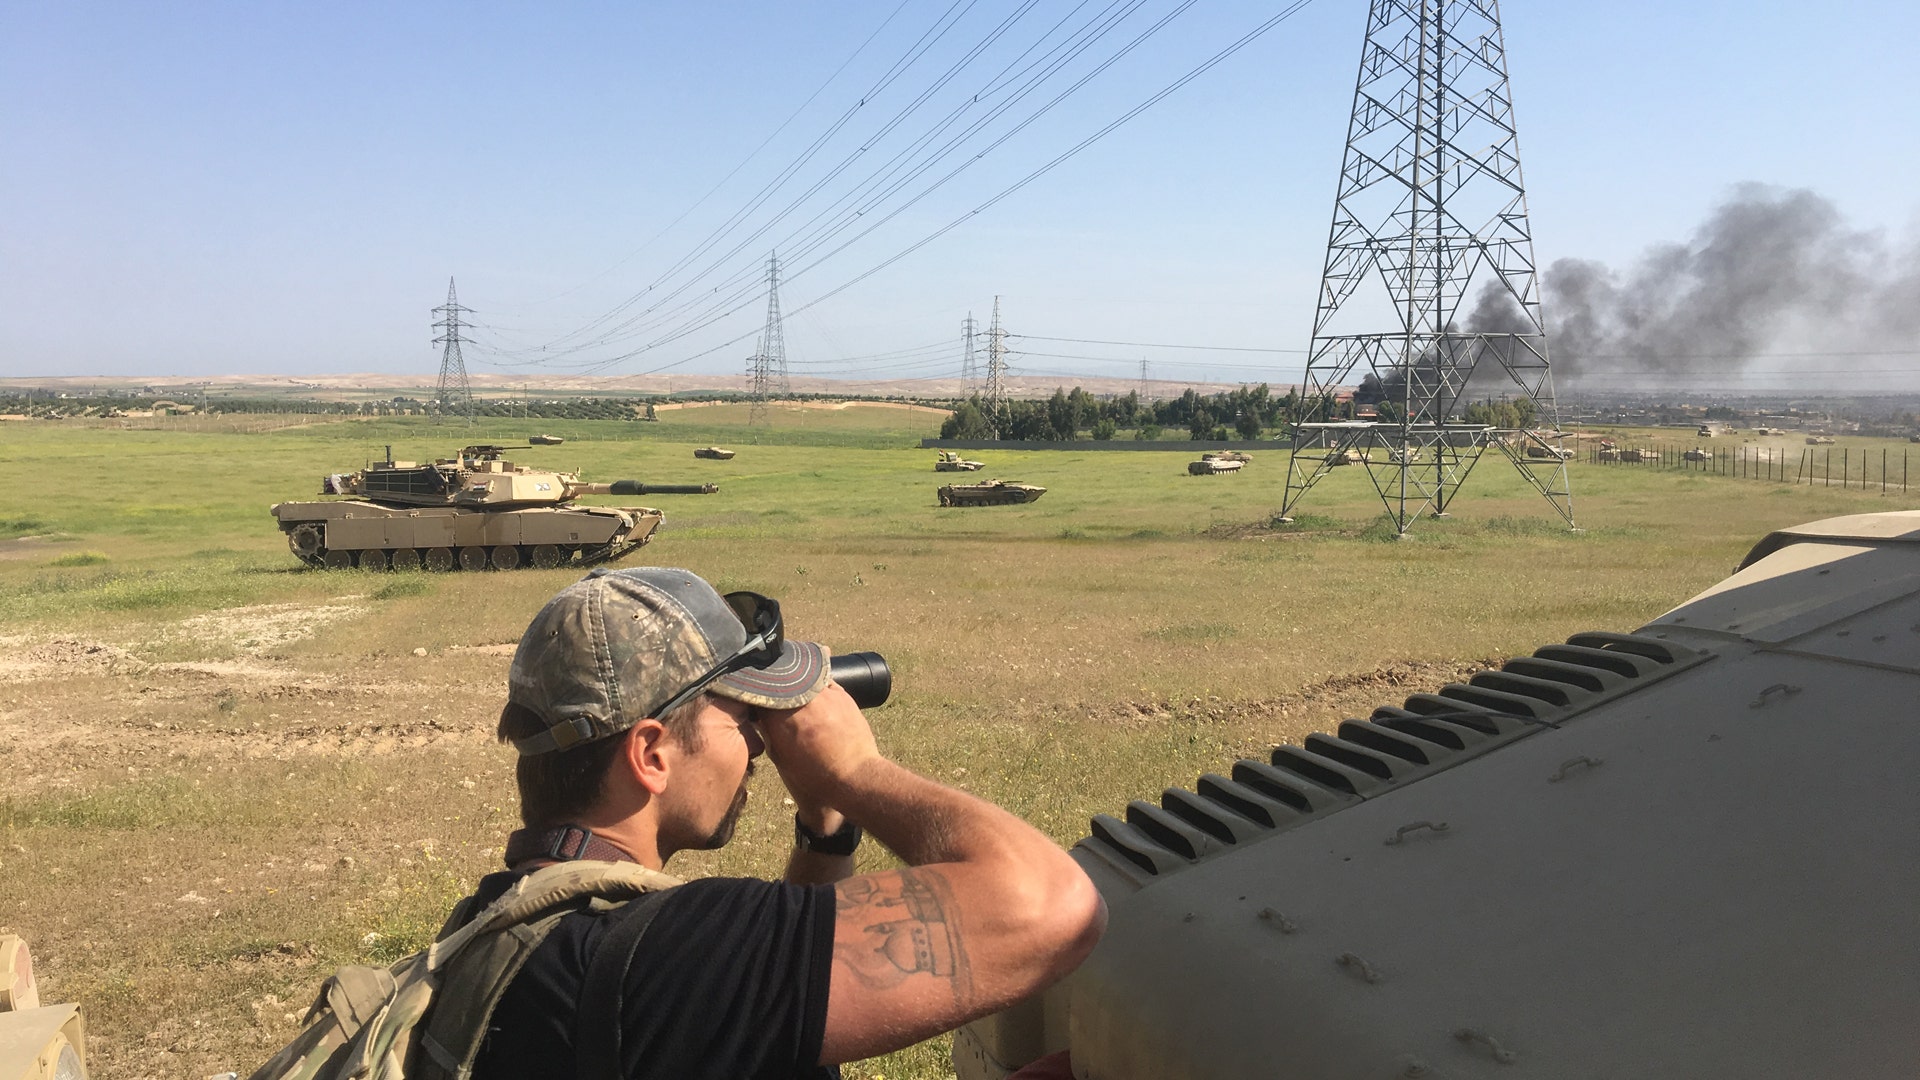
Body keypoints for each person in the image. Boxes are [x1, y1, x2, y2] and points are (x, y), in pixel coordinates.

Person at [462, 566, 1106, 1079]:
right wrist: (855, 772)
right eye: (744, 717)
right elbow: (1057, 908)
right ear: (652, 754)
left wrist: (826, 829)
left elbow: (770, 1014)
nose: (758, 746)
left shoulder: (490, 932)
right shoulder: (680, 952)